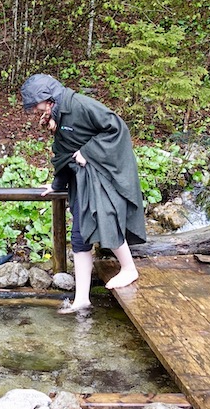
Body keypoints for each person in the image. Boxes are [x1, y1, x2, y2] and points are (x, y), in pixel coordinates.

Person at [19, 74, 146, 314]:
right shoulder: (57, 114)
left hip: (102, 174)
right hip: (82, 180)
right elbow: (63, 155)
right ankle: (81, 300)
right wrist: (57, 185)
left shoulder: (80, 105)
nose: (35, 110)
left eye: (36, 104)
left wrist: (89, 151)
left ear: (49, 98)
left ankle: (129, 268)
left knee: (104, 219)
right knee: (79, 237)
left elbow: (117, 128)